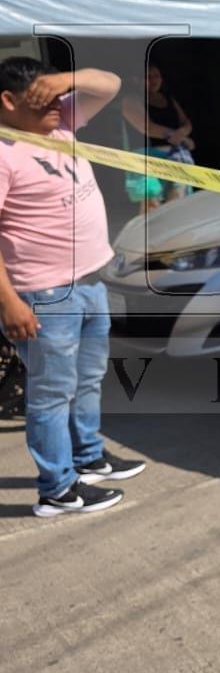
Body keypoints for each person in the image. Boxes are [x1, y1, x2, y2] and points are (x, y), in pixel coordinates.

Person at [0, 58, 145, 518]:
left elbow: (112, 82)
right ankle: (58, 489)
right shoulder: (3, 152)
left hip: (88, 283)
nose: (55, 106)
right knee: (50, 394)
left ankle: (88, 458)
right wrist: (9, 303)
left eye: (57, 97)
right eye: (40, 99)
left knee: (87, 380)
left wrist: (64, 81)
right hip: (44, 296)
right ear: (7, 102)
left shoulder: (59, 122)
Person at [120, 63, 195, 212]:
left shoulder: (168, 98)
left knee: (177, 202)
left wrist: (183, 133)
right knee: (151, 204)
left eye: (156, 76)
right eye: (148, 76)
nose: (153, 80)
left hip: (175, 157)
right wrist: (177, 137)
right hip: (146, 159)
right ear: (136, 79)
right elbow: (146, 127)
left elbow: (186, 122)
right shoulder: (130, 100)